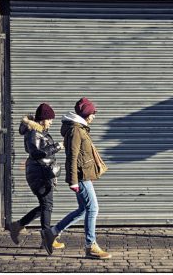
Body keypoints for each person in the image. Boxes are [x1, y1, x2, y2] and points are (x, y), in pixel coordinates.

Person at [41, 97, 111, 259]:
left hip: (84, 174)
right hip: (80, 176)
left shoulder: (80, 128)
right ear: (86, 114)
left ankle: (52, 232)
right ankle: (90, 245)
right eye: (93, 113)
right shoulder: (76, 130)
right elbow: (72, 157)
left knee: (83, 209)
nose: (94, 116)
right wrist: (72, 181)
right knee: (93, 208)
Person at [9, 103, 65, 250]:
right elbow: (36, 153)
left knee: (45, 205)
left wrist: (54, 174)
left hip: (44, 172)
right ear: (42, 119)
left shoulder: (42, 132)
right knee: (47, 205)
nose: (51, 122)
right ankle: (47, 239)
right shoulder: (34, 133)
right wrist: (57, 146)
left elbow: (46, 155)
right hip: (38, 173)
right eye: (50, 119)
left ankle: (18, 225)